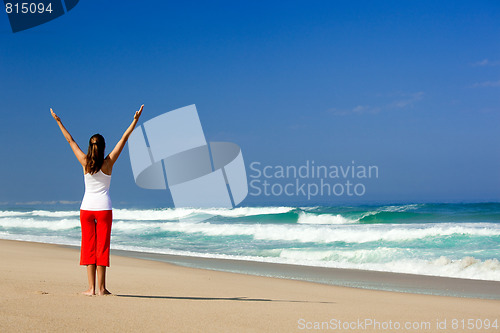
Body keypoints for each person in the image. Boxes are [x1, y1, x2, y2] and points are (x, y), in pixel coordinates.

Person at [50, 105, 144, 295]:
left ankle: (91, 288)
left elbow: (70, 141)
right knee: (102, 248)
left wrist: (58, 121)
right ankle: (101, 288)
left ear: (90, 147)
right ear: (103, 147)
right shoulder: (108, 163)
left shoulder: (85, 162)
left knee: (88, 247)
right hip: (104, 209)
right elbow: (124, 139)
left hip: (86, 209)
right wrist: (135, 120)